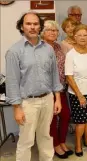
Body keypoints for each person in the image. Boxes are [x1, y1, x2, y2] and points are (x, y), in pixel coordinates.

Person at [5, 12, 63, 161]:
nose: (32, 27)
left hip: (48, 99)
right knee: (26, 141)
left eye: (35, 24)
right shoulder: (14, 51)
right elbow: (12, 82)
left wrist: (57, 98)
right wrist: (17, 108)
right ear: (22, 27)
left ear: (40, 27)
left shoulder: (48, 49)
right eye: (28, 24)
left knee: (45, 136)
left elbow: (54, 75)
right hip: (27, 103)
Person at [65, 24, 87, 157]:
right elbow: (69, 76)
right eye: (79, 35)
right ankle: (78, 144)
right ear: (74, 36)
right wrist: (80, 95)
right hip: (77, 93)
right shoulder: (71, 54)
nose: (82, 37)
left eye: (85, 35)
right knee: (81, 122)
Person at [41, 20, 73, 158]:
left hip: (61, 88)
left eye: (55, 30)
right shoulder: (39, 48)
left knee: (65, 115)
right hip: (47, 90)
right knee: (52, 119)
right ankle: (55, 145)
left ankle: (62, 142)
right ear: (42, 33)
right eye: (49, 30)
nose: (53, 33)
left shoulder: (59, 47)